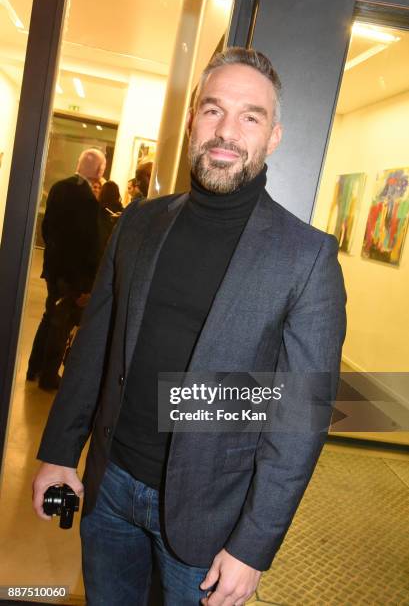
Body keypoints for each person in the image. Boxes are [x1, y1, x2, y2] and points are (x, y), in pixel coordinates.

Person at [32, 48, 346, 605]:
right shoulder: (139, 224)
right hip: (109, 492)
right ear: (191, 122)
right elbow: (95, 348)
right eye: (212, 110)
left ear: (273, 136)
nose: (227, 130)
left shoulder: (306, 257)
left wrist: (253, 546)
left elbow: (299, 420)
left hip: (211, 523)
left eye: (250, 116)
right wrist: (59, 452)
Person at [27, 148, 106, 390]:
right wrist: (83, 284)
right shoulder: (87, 199)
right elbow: (84, 245)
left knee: (49, 314)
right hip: (72, 274)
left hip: (54, 267)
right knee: (61, 324)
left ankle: (34, 368)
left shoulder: (59, 187)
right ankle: (49, 376)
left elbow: (47, 228)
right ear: (100, 171)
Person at [97, 180, 124, 251]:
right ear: (117, 194)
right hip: (114, 251)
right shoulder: (122, 212)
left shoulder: (97, 210)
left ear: (102, 193)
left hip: (99, 250)